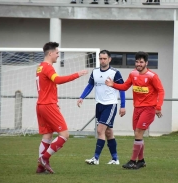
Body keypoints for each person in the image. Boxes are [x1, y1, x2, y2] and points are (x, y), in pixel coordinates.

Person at [105, 51, 165, 169]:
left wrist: (158, 107)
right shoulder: (133, 74)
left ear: (146, 63)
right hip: (137, 108)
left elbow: (161, 91)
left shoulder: (152, 76)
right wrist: (113, 85)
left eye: (141, 62)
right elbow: (125, 86)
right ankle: (141, 160)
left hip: (148, 109)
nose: (139, 64)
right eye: (137, 62)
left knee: (138, 133)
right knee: (137, 134)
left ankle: (132, 161)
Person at [36, 42, 88, 174]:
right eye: (57, 53)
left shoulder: (40, 67)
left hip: (41, 105)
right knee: (64, 134)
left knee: (47, 136)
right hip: (48, 105)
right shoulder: (48, 67)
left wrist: (54, 100)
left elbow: (47, 87)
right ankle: (44, 158)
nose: (58, 55)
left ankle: (40, 167)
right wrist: (77, 74)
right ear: (50, 53)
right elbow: (57, 80)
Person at [77, 50, 126, 165]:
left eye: (105, 58)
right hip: (99, 105)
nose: (102, 61)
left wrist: (123, 106)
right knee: (108, 132)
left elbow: (122, 88)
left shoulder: (115, 72)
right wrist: (82, 97)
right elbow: (90, 85)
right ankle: (115, 159)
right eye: (100, 58)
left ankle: (96, 158)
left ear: (109, 59)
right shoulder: (94, 72)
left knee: (100, 130)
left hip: (110, 105)